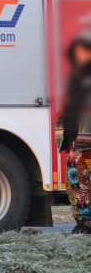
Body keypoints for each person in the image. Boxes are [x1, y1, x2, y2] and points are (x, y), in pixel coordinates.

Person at [60, 28, 91, 234]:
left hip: (88, 143)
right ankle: (82, 223)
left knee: (87, 185)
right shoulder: (73, 78)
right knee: (74, 185)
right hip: (72, 141)